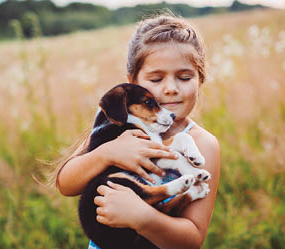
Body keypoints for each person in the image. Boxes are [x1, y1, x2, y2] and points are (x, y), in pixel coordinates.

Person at [54, 14, 220, 249]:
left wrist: (142, 217)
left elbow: (192, 239)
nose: (171, 89)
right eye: (155, 78)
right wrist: (107, 153)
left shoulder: (203, 144)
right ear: (133, 82)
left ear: (200, 79)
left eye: (184, 77)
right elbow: (66, 184)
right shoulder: (115, 129)